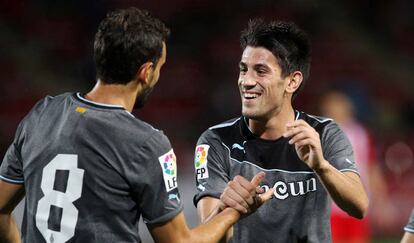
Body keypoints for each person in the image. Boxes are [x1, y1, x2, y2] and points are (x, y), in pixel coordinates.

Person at [0, 7, 273, 243]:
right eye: (160, 67)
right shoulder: (147, 143)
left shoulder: (43, 112)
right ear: (146, 71)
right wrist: (235, 211)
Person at [193, 19, 369, 242]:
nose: (246, 81)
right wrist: (229, 210)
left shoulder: (324, 133)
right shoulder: (215, 141)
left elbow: (359, 207)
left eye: (260, 71)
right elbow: (209, 234)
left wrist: (321, 166)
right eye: (243, 69)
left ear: (292, 82)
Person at [320, 89, 394, 243]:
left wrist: (382, 200)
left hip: (357, 201)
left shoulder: (361, 133)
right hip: (331, 206)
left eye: (340, 104)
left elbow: (371, 167)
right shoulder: (320, 132)